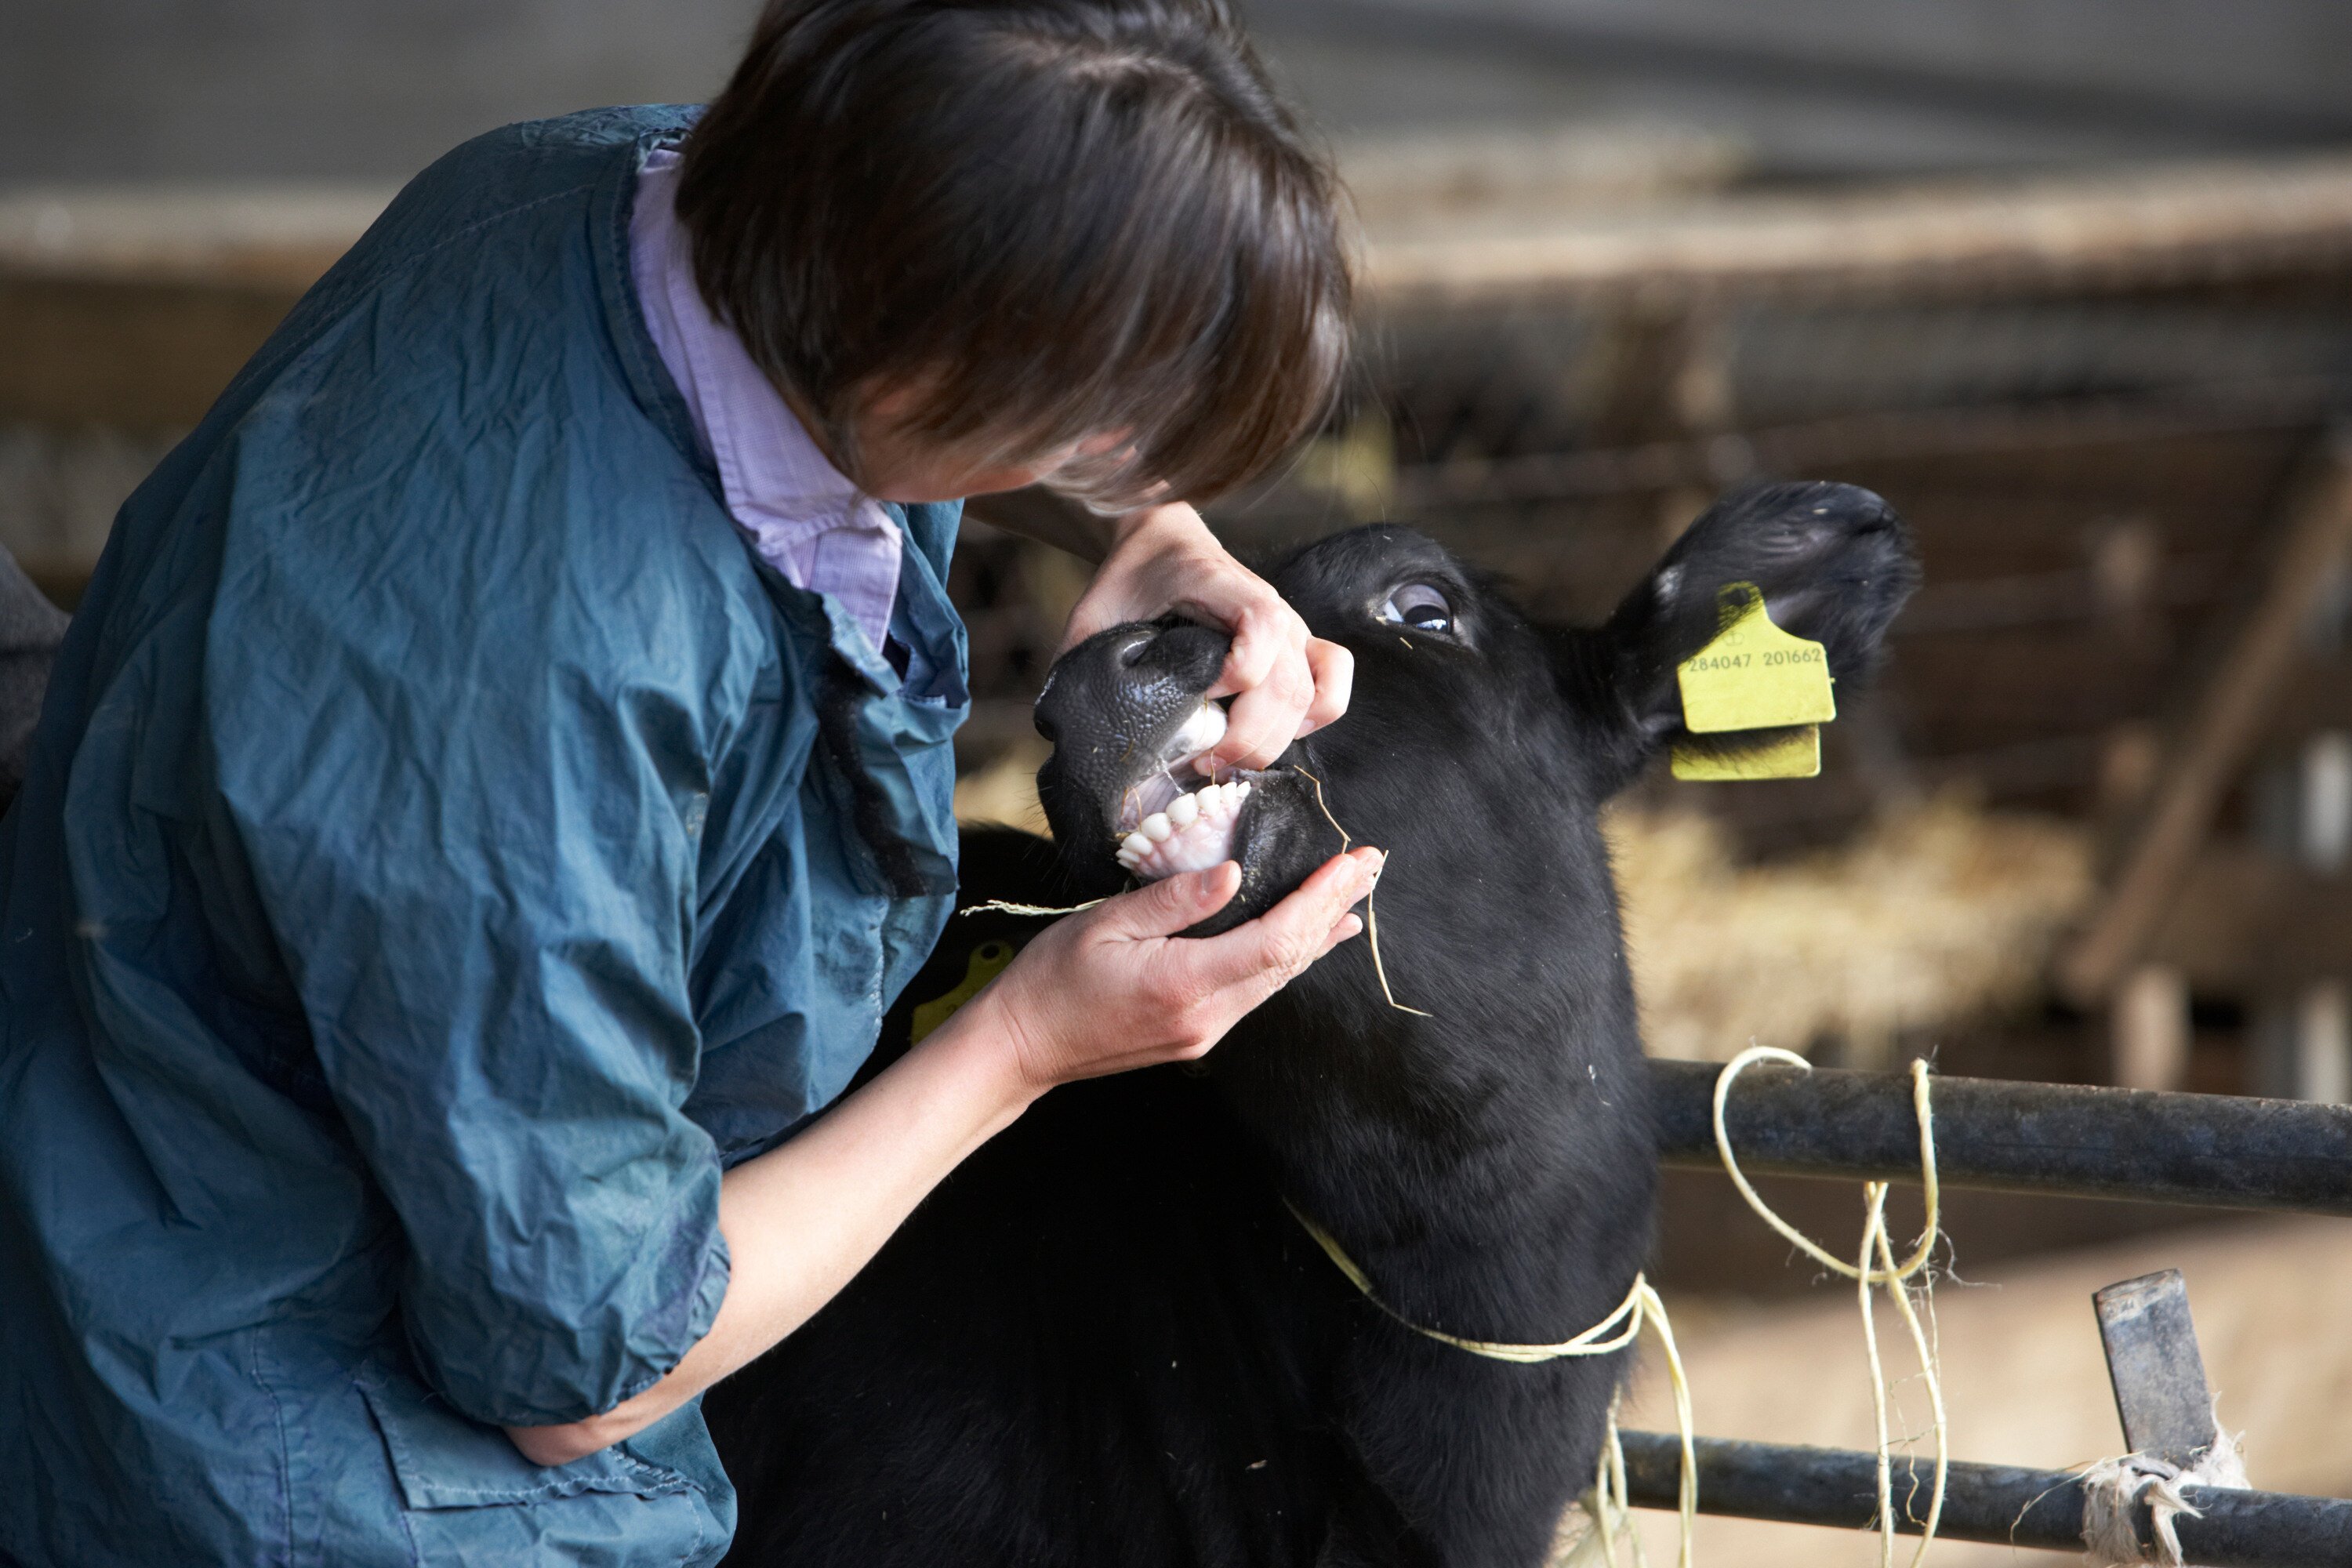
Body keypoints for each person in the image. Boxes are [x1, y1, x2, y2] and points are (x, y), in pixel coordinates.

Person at [0, 2, 1381, 1563]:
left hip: (131, 1097)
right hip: (290, 1451)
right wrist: (1025, 1045)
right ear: (940, 354)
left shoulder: (618, 191)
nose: (1123, 456)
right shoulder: (539, 686)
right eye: (1114, 419)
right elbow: (578, 1368)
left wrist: (1159, 539)